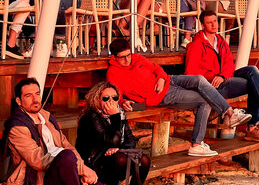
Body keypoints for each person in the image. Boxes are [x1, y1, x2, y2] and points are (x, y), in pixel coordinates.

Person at [3, 78, 206, 185]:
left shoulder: (47, 118)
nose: (35, 98)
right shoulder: (17, 126)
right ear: (19, 101)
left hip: (70, 172)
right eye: (28, 96)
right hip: (41, 181)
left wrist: (80, 167)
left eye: (37, 93)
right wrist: (82, 169)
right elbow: (39, 160)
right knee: (65, 157)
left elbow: (68, 146)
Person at [106, 37, 250, 157]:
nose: (127, 59)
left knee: (199, 79)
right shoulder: (113, 73)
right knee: (204, 101)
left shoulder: (137, 58)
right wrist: (124, 101)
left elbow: (157, 69)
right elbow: (116, 95)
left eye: (128, 55)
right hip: (162, 96)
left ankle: (229, 113)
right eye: (122, 57)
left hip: (169, 80)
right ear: (114, 57)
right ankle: (196, 144)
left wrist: (162, 78)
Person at [184, 10, 259, 143]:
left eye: (215, 21)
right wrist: (214, 77)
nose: (214, 25)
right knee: (253, 85)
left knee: (252, 70)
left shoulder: (220, 40)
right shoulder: (196, 45)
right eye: (209, 23)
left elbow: (229, 64)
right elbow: (190, 72)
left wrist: (222, 75)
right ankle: (252, 128)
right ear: (202, 25)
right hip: (211, 86)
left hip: (224, 78)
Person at [75, 81, 150, 185]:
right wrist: (115, 116)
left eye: (114, 98)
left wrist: (119, 149)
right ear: (96, 99)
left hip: (111, 160)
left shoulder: (119, 114)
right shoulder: (91, 116)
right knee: (120, 159)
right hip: (93, 164)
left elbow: (130, 140)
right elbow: (112, 141)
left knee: (144, 160)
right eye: (105, 98)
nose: (111, 102)